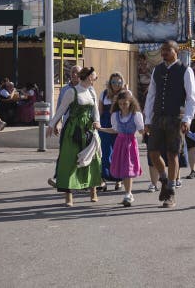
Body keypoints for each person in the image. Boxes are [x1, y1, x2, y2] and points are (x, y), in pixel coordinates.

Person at [143, 40, 195, 208]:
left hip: (176, 118)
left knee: (173, 154)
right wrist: (148, 120)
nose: (164, 53)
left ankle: (171, 192)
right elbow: (151, 95)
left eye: (167, 50)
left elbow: (191, 98)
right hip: (158, 117)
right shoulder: (157, 70)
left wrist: (188, 118)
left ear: (176, 51)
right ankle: (165, 180)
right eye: (162, 50)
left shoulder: (185, 70)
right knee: (152, 152)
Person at [46, 67, 103, 206]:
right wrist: (52, 124)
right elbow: (61, 109)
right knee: (69, 160)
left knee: (92, 159)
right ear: (89, 77)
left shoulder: (91, 92)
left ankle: (93, 190)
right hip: (73, 129)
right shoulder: (72, 91)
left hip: (88, 129)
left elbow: (95, 111)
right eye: (94, 76)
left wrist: (97, 123)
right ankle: (68, 197)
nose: (96, 78)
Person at [105, 90, 144, 207]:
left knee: (128, 168)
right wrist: (100, 128)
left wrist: (148, 130)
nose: (123, 106)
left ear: (130, 103)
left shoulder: (136, 115)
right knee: (122, 168)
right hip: (120, 143)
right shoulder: (116, 115)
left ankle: (128, 193)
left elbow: (141, 130)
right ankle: (128, 194)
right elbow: (115, 129)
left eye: (125, 104)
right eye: (120, 104)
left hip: (131, 143)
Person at [98, 72, 126, 191]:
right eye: (114, 82)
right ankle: (103, 179)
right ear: (110, 83)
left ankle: (118, 180)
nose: (116, 84)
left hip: (119, 125)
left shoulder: (125, 94)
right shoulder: (104, 94)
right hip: (105, 124)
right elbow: (99, 111)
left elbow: (129, 110)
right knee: (104, 152)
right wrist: (97, 125)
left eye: (119, 82)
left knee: (118, 153)